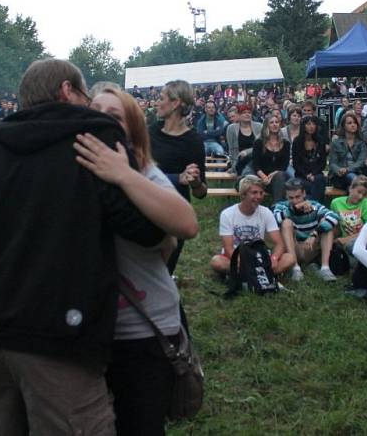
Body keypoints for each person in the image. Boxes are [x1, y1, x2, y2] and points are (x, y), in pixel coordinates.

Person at [0, 58, 165, 434]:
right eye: (85, 95)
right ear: (66, 91)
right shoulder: (91, 140)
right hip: (60, 336)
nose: (90, 105)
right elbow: (145, 231)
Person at [75, 87, 198, 436]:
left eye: (114, 115)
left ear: (131, 129)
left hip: (143, 328)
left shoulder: (144, 171)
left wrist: (123, 174)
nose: (101, 118)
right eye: (94, 110)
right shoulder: (71, 171)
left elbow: (187, 224)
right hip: (89, 325)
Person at [150, 79, 207, 275]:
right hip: (145, 208)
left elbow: (201, 193)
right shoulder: (151, 132)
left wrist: (196, 181)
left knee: (162, 275)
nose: (157, 102)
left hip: (174, 216)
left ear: (175, 103)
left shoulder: (193, 142)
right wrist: (177, 178)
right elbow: (139, 173)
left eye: (161, 98)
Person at [210, 175, 295, 276]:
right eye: (254, 193)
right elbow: (228, 248)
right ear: (243, 195)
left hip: (259, 255)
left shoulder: (266, 212)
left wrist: (274, 258)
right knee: (216, 261)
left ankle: (245, 276)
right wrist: (242, 262)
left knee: (290, 258)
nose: (259, 197)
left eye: (261, 193)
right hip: (237, 256)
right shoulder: (227, 214)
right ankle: (262, 275)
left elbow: (279, 244)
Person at [273, 178, 340, 282]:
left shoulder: (314, 205)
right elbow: (274, 219)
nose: (295, 201)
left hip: (311, 246)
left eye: (297, 197)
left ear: (304, 194)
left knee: (326, 224)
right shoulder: (282, 206)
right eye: (291, 197)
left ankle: (325, 268)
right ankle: (295, 268)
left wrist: (315, 234)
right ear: (286, 196)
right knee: (286, 223)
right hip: (293, 247)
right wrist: (294, 209)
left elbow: (334, 217)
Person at [328, 113, 367, 191]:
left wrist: (347, 169)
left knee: (353, 182)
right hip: (339, 176)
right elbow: (332, 163)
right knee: (354, 180)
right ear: (344, 126)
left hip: (357, 173)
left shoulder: (362, 142)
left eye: (355, 123)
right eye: (349, 123)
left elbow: (360, 162)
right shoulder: (336, 143)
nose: (353, 125)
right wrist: (339, 170)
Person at [330, 175, 367, 254]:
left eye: (364, 195)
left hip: (363, 240)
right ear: (350, 188)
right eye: (359, 192)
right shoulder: (336, 203)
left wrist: (347, 239)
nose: (361, 197)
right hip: (344, 242)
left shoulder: (366, 203)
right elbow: (335, 226)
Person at [251, 114, 290, 202]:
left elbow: (285, 165)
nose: (275, 124)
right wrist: (264, 177)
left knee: (280, 176)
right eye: (271, 122)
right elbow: (255, 164)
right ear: (266, 125)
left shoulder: (286, 143)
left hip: (279, 176)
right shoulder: (259, 142)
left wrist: (274, 174)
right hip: (262, 178)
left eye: (277, 122)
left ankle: (277, 206)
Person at [291, 115, 328, 201]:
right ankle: (316, 206)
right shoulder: (297, 141)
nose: (311, 126)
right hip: (302, 175)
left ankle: (312, 205)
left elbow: (322, 163)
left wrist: (313, 174)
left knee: (319, 180)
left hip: (316, 174)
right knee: (313, 186)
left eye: (313, 124)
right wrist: (307, 175)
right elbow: (296, 164)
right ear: (303, 126)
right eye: (308, 124)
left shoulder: (320, 141)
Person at [226, 104, 262, 175]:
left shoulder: (259, 127)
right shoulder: (231, 128)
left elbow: (262, 146)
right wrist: (233, 166)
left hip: (256, 159)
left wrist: (247, 152)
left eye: (249, 112)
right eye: (244, 112)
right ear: (239, 115)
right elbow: (232, 150)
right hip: (239, 160)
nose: (247, 114)